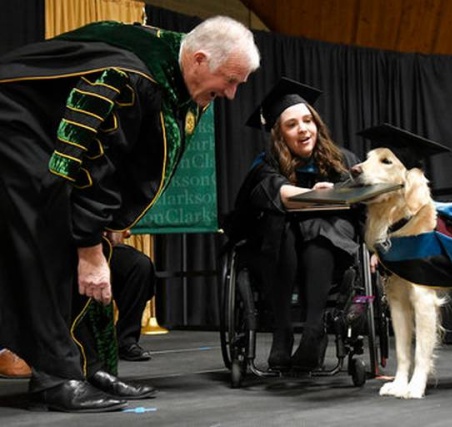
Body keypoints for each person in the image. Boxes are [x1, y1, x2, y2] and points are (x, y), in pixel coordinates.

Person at [0, 16, 260, 413]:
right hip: (14, 129)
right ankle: (56, 376)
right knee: (50, 240)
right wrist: (89, 247)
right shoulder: (130, 79)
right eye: (229, 80)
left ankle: (88, 366)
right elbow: (88, 163)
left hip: (41, 136)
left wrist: (108, 226)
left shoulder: (170, 62)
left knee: (81, 239)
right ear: (199, 60)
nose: (231, 94)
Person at [232, 77, 362, 372]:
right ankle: (283, 331)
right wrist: (318, 196)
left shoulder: (342, 160)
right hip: (279, 253)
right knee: (283, 228)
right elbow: (278, 194)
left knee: (319, 232)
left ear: (317, 124)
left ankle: (314, 330)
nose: (303, 129)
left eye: (308, 121)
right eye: (292, 124)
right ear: (279, 133)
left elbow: (363, 207)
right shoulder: (266, 164)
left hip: (332, 250)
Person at [106, 231, 155, 362]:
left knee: (139, 264)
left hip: (102, 245)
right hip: (70, 244)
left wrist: (116, 230)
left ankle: (126, 340)